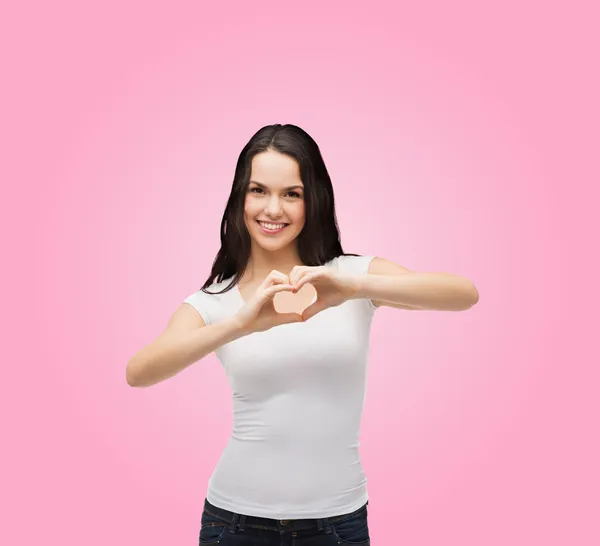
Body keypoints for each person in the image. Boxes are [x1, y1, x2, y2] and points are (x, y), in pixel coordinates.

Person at [126, 123, 479, 545]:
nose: (272, 209)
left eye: (291, 194)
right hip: (235, 523)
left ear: (313, 200)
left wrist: (353, 286)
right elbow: (139, 372)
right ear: (240, 197)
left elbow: (462, 294)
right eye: (258, 190)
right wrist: (242, 323)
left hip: (337, 524)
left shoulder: (350, 276)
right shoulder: (214, 301)